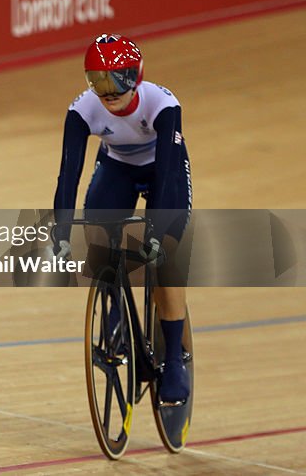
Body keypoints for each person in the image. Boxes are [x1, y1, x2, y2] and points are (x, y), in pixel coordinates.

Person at [52, 34, 192, 404]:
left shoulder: (162, 105)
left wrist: (159, 232)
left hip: (162, 168)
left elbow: (166, 173)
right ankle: (116, 307)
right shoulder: (83, 110)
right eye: (98, 80)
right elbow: (68, 174)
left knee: (165, 260)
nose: (108, 91)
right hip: (118, 166)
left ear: (136, 77)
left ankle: (174, 360)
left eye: (117, 80)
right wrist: (61, 232)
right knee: (98, 228)